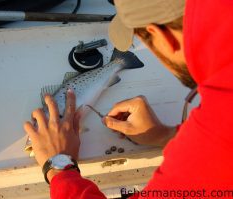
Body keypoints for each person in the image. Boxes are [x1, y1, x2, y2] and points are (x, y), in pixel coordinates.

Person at [24, 0, 233, 198]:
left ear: (161, 36)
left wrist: (59, 168)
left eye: (143, 38)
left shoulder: (213, 145)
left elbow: (211, 153)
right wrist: (166, 136)